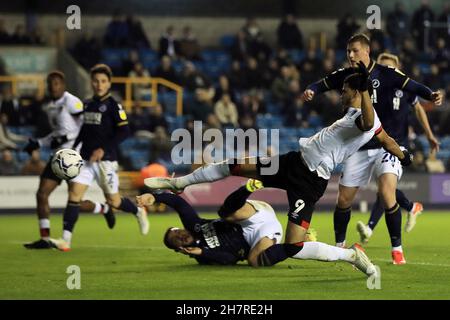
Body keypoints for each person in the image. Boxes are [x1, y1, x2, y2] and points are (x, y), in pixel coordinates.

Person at [144, 66, 410, 274]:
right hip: (293, 162)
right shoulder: (362, 118)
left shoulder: (366, 117)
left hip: (310, 180)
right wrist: (404, 155)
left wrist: (364, 91)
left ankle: (351, 255)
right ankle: (181, 183)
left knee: (294, 246)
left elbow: (368, 124)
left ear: (355, 91)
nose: (341, 94)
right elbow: (385, 138)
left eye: (344, 90)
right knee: (233, 165)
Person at [302, 34, 443, 264]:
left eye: (355, 50)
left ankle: (397, 249)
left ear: (367, 51)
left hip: (386, 144)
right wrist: (311, 90)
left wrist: (430, 94)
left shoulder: (387, 74)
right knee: (343, 200)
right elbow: (324, 83)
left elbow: (412, 85)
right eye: (348, 51)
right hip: (358, 146)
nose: (350, 55)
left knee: (388, 194)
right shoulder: (347, 74)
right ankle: (340, 247)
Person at [138, 180, 375, 276]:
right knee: (255, 260)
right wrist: (203, 253)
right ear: (180, 249)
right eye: (176, 241)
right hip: (262, 235)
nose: (180, 236)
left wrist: (154, 197)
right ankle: (309, 241)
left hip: (251, 215)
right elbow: (229, 259)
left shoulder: (195, 225)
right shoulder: (203, 256)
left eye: (176, 232)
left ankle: (250, 186)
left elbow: (178, 202)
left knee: (226, 214)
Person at [48, 64, 149, 251]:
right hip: (85, 159)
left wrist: (103, 149)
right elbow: (83, 131)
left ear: (109, 83)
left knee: (115, 202)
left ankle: (138, 210)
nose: (99, 84)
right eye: (95, 81)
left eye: (103, 81)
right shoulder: (86, 104)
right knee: (74, 195)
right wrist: (74, 150)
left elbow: (125, 131)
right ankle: (65, 240)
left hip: (106, 161)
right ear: (91, 83)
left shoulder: (113, 106)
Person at [355, 53, 440, 244]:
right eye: (382, 67)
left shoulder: (405, 89)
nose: (385, 71)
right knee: (385, 190)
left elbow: (418, 109)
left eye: (390, 68)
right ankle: (411, 207)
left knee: (384, 189)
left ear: (397, 69)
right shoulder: (372, 88)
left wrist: (429, 135)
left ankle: (371, 229)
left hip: (396, 144)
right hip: (374, 142)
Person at [22, 71, 111, 249]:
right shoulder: (49, 107)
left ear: (63, 85)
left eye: (56, 83)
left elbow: (84, 124)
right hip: (57, 157)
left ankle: (103, 208)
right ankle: (45, 238)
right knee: (41, 194)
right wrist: (38, 143)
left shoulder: (72, 101)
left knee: (74, 200)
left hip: (74, 157)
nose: (53, 86)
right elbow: (57, 134)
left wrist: (65, 138)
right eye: (50, 83)